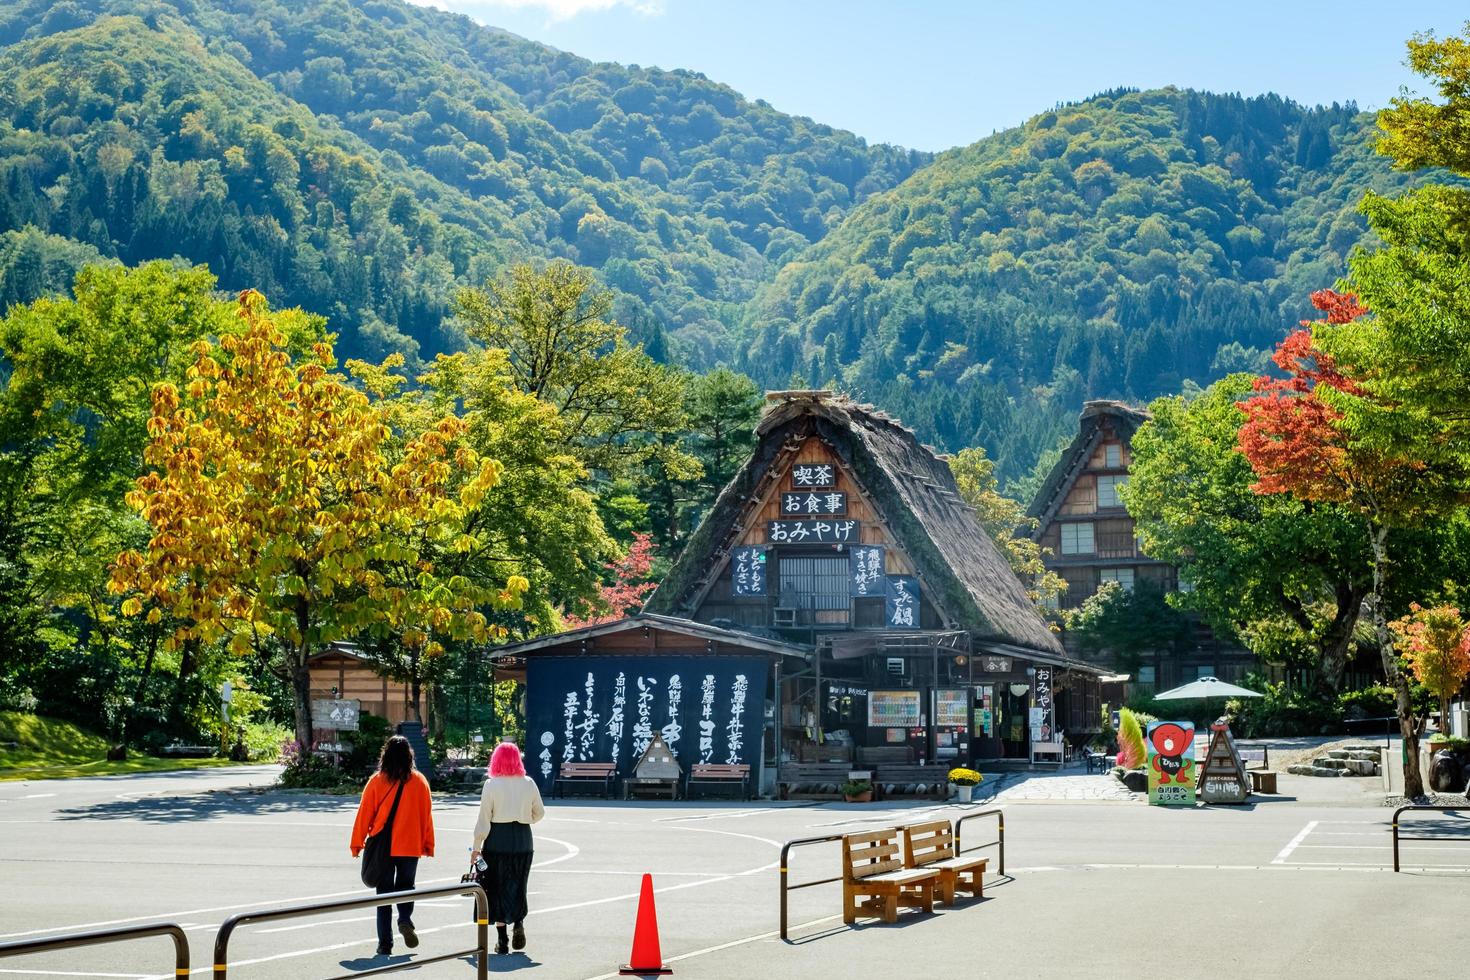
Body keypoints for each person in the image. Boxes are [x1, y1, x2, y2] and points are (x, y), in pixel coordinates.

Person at [351, 735, 435, 957]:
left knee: (384, 896)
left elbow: (364, 814)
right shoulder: (420, 782)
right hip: (410, 844)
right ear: (410, 756)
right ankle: (405, 919)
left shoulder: (378, 781)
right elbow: (426, 816)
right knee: (407, 886)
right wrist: (427, 844)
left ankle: (384, 944)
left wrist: (357, 843)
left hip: (383, 846)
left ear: (385, 755)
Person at [471, 741, 545, 955]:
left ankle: (502, 940)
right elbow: (539, 813)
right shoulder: (528, 783)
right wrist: (525, 818)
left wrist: (477, 847)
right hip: (523, 839)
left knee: (496, 889)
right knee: (518, 884)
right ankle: (519, 922)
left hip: (497, 840)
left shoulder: (491, 785)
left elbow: (483, 819)